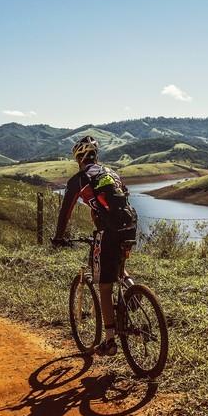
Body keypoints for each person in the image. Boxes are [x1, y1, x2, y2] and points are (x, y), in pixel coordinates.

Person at [52, 136, 138, 356]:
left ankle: (109, 342)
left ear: (79, 159)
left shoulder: (79, 180)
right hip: (130, 225)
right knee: (117, 267)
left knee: (105, 286)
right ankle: (134, 290)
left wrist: (58, 237)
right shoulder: (111, 173)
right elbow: (123, 199)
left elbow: (65, 213)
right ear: (95, 157)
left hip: (108, 232)